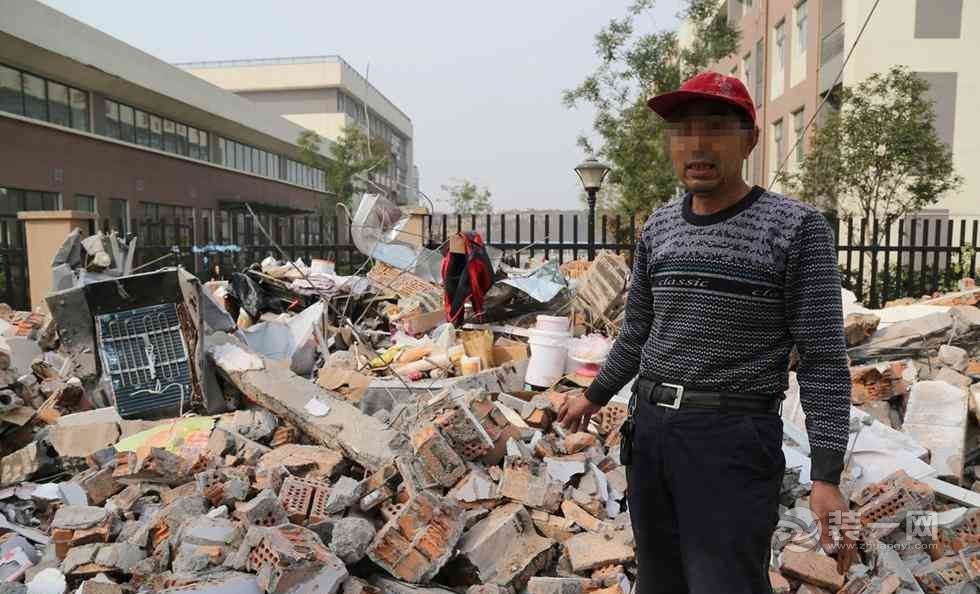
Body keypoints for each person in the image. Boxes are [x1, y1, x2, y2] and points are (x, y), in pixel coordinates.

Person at [558, 71, 855, 594]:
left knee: (724, 584)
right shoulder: (660, 226)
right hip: (650, 434)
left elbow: (823, 359)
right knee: (660, 580)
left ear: (749, 139)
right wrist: (594, 393)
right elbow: (638, 332)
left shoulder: (795, 229)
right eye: (682, 130)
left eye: (715, 128)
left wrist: (827, 476)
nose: (697, 144)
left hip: (731, 442)